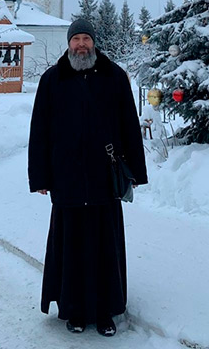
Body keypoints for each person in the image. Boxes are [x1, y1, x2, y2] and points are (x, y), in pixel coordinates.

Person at [28, 17, 147, 337]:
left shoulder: (114, 77)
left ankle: (106, 312)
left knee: (103, 245)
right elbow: (39, 130)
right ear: (69, 43)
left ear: (94, 42)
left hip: (103, 177)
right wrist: (40, 176)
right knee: (72, 246)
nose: (81, 44)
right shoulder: (52, 80)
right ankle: (75, 310)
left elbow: (129, 125)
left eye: (86, 38)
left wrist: (135, 170)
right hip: (66, 178)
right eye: (76, 38)